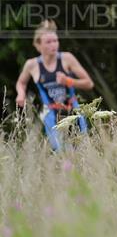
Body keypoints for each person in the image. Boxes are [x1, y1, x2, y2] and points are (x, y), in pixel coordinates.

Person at [15, 20, 94, 150]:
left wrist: (68, 81)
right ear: (38, 45)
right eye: (48, 42)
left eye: (55, 41)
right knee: (61, 152)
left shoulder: (67, 58)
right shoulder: (32, 65)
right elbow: (21, 82)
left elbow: (89, 83)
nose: (53, 45)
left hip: (73, 110)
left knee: (82, 150)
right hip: (51, 114)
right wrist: (21, 94)